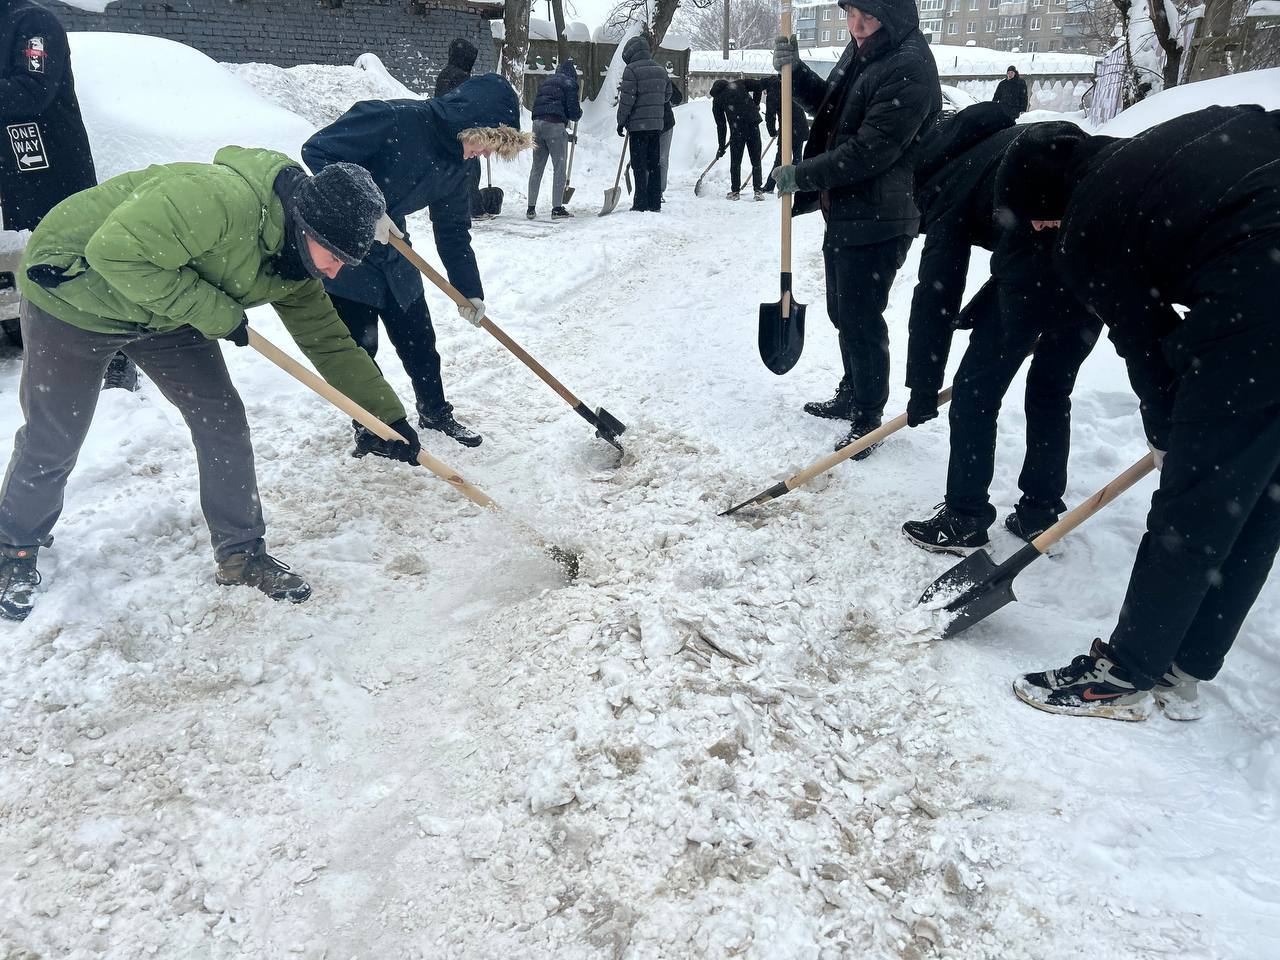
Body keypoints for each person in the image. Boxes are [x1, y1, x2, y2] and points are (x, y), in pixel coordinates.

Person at [0, 149, 419, 621]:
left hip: (166, 306)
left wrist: (388, 419)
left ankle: (241, 554)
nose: (334, 271)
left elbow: (330, 344)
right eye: (335, 256)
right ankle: (13, 546)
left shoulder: (295, 269)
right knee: (55, 435)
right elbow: (113, 252)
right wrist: (219, 314)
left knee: (221, 417)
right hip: (77, 291)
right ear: (307, 227)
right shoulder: (218, 202)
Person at [995, 105, 1280, 722]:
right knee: (1260, 488)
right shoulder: (1151, 154)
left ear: (1047, 209)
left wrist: (1174, 435)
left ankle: (1126, 673)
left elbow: (1145, 343)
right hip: (1260, 260)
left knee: (1199, 495)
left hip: (1262, 286)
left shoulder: (1087, 227)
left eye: (1036, 222)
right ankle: (1186, 665)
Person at [898, 104, 1100, 554]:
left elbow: (935, 292)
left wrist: (924, 388)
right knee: (1052, 388)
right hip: (1096, 263)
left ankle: (964, 517)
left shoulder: (951, 180)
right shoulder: (1004, 145)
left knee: (975, 392)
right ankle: (1040, 512)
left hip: (1043, 272)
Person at [302, 74, 531, 451]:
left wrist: (468, 292)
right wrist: (363, 207)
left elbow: (454, 231)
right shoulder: (393, 120)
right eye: (486, 142)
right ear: (467, 123)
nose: (486, 153)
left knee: (420, 340)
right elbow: (317, 151)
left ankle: (435, 412)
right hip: (345, 255)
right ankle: (370, 425)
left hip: (395, 252)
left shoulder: (462, 165)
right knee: (360, 349)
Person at [771, 0, 941, 454]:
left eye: (868, 16)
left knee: (861, 317)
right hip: (850, 210)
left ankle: (868, 415)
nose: (857, 26)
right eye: (850, 14)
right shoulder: (868, 50)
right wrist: (796, 72)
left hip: (884, 214)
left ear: (895, 16)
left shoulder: (909, 67)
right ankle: (852, 392)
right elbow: (834, 111)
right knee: (841, 312)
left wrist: (800, 175)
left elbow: (871, 151)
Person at [0, 0, 138, 392]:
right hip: (12, 173)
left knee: (83, 261)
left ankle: (119, 356)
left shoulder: (33, 21)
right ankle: (48, 345)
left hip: (52, 169)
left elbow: (31, 89)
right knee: (34, 266)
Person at [616, 35, 670, 214]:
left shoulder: (631, 70)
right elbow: (668, 95)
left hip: (638, 127)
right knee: (654, 164)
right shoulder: (660, 69)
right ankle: (655, 203)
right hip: (656, 126)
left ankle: (640, 202)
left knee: (639, 165)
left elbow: (626, 101)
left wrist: (621, 121)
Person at [434, 38, 485, 220]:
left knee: (454, 169)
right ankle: (474, 208)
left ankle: (452, 204)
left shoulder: (444, 74)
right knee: (471, 168)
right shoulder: (462, 77)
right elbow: (466, 105)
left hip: (443, 128)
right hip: (462, 130)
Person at [526, 61, 582, 221]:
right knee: (559, 166)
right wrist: (579, 113)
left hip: (537, 124)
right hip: (554, 125)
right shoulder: (569, 83)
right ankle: (557, 208)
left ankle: (531, 208)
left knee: (536, 167)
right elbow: (573, 113)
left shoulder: (546, 82)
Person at [710, 77, 767, 201]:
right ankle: (758, 190)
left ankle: (735, 191)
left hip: (737, 130)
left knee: (736, 162)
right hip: (753, 124)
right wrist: (756, 104)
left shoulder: (717, 100)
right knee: (756, 159)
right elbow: (758, 85)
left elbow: (721, 126)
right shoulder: (739, 84)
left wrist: (721, 147)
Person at [761, 74, 810, 194]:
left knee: (780, 158)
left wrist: (772, 132)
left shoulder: (773, 93)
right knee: (797, 156)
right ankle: (797, 183)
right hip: (800, 125)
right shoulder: (787, 86)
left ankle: (770, 186)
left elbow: (770, 116)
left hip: (790, 127)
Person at [659, 78, 684, 201]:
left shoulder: (663, 78)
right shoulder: (662, 77)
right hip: (654, 123)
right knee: (660, 158)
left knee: (658, 158)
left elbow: (677, 98)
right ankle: (655, 191)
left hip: (662, 123)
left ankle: (656, 191)